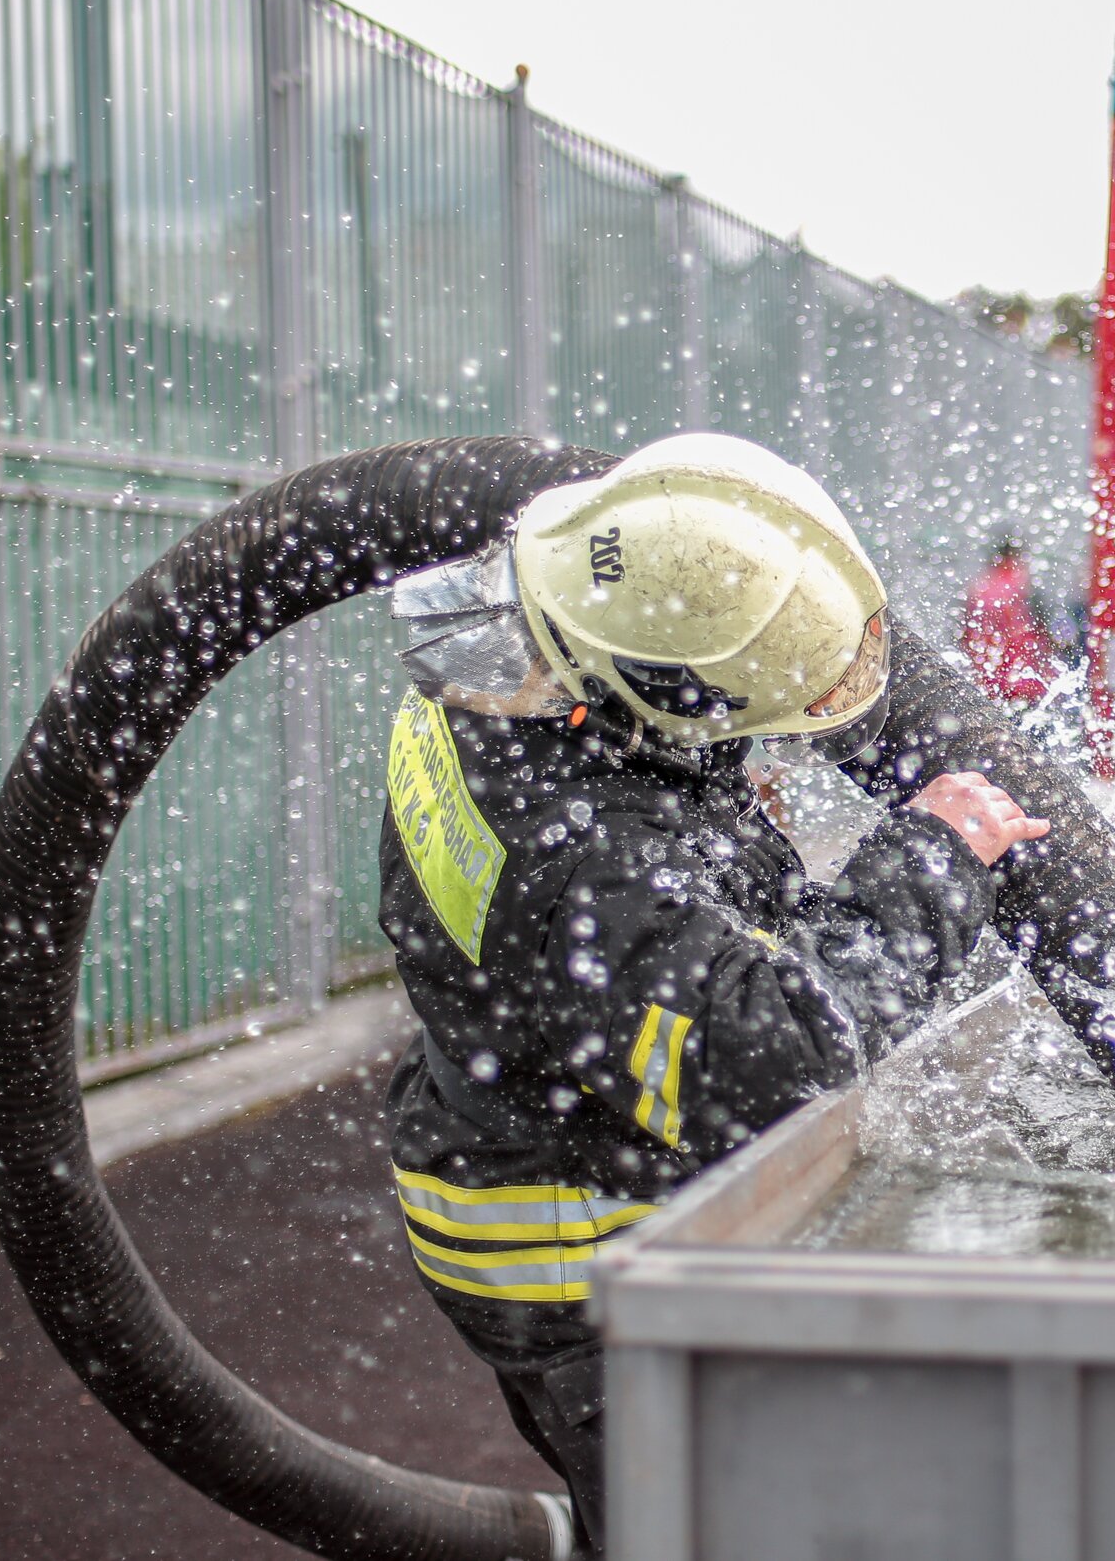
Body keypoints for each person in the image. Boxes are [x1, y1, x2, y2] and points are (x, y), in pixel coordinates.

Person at [376, 434, 1049, 1552]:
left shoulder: (539, 650)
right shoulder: (579, 846)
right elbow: (775, 1057)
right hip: (578, 1256)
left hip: (520, 1134)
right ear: (656, 698)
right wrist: (931, 858)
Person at [962, 535, 1058, 704]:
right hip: (1023, 680)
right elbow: (1041, 628)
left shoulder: (980, 587)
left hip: (987, 681)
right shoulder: (1021, 583)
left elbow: (965, 633)